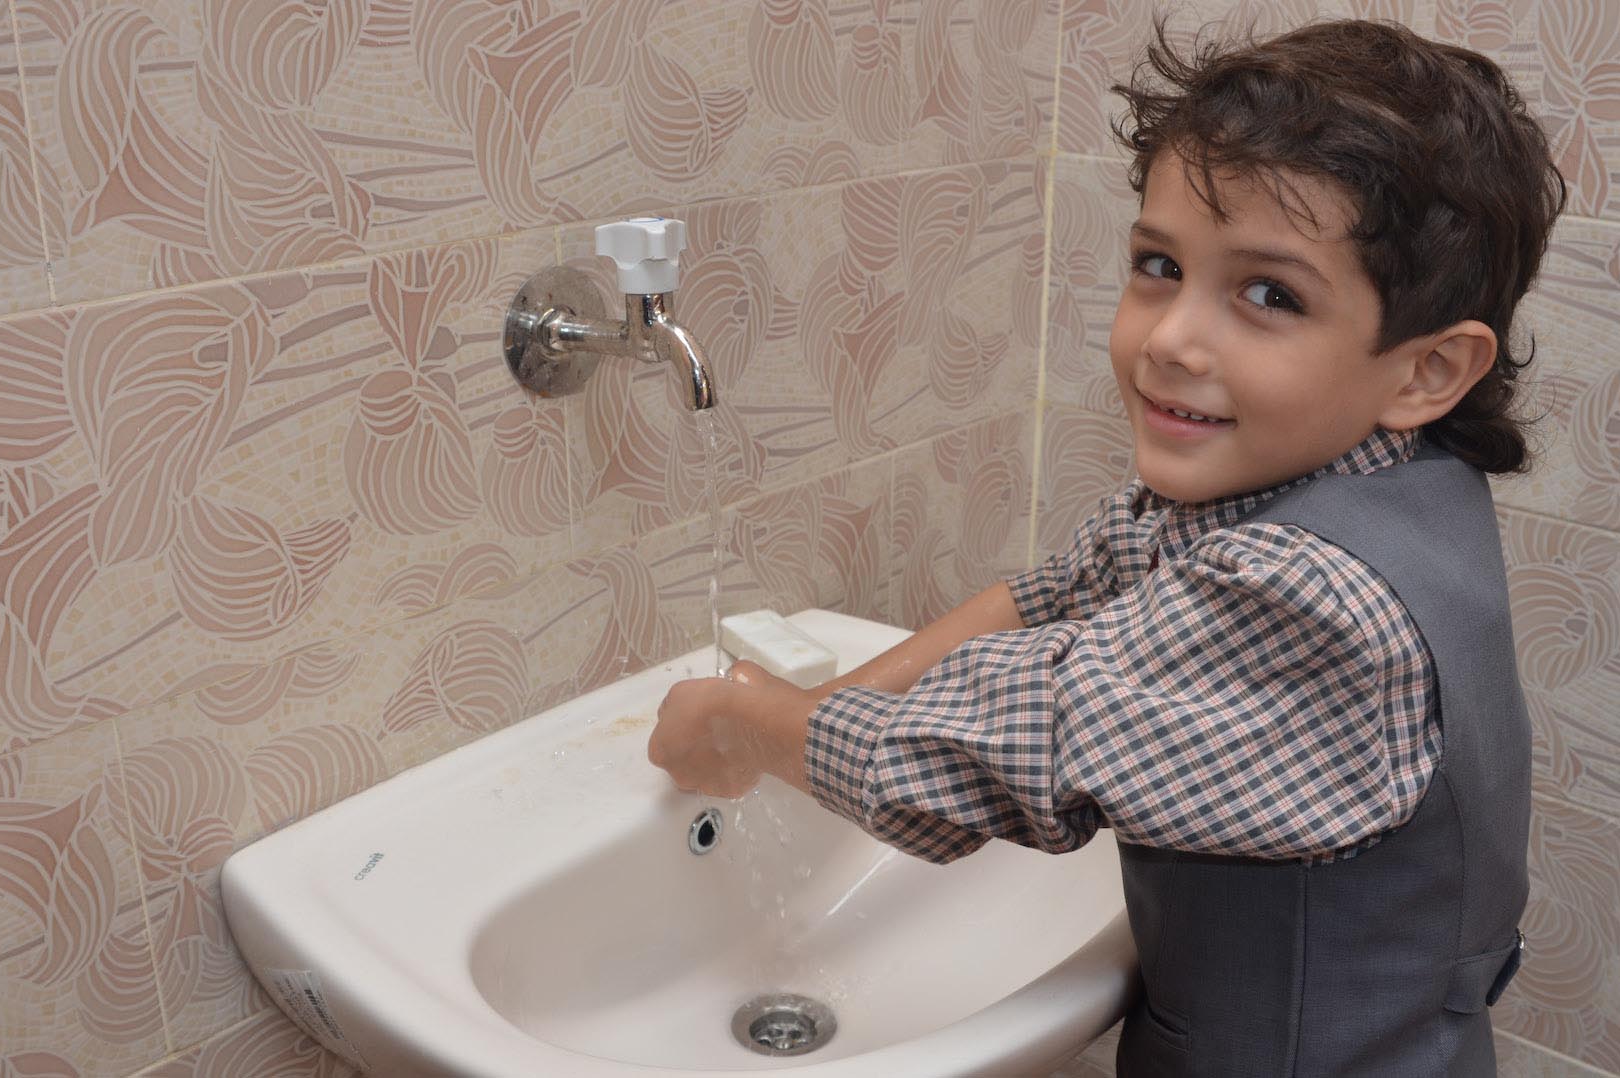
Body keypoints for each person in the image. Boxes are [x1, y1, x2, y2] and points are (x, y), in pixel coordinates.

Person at [648, 17, 1565, 1076]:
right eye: (1158, 264)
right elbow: (1059, 590)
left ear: (1425, 370)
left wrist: (743, 724)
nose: (1171, 336)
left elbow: (962, 766)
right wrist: (831, 695)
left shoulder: (1312, 598)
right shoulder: (1368, 481)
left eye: (1268, 295)